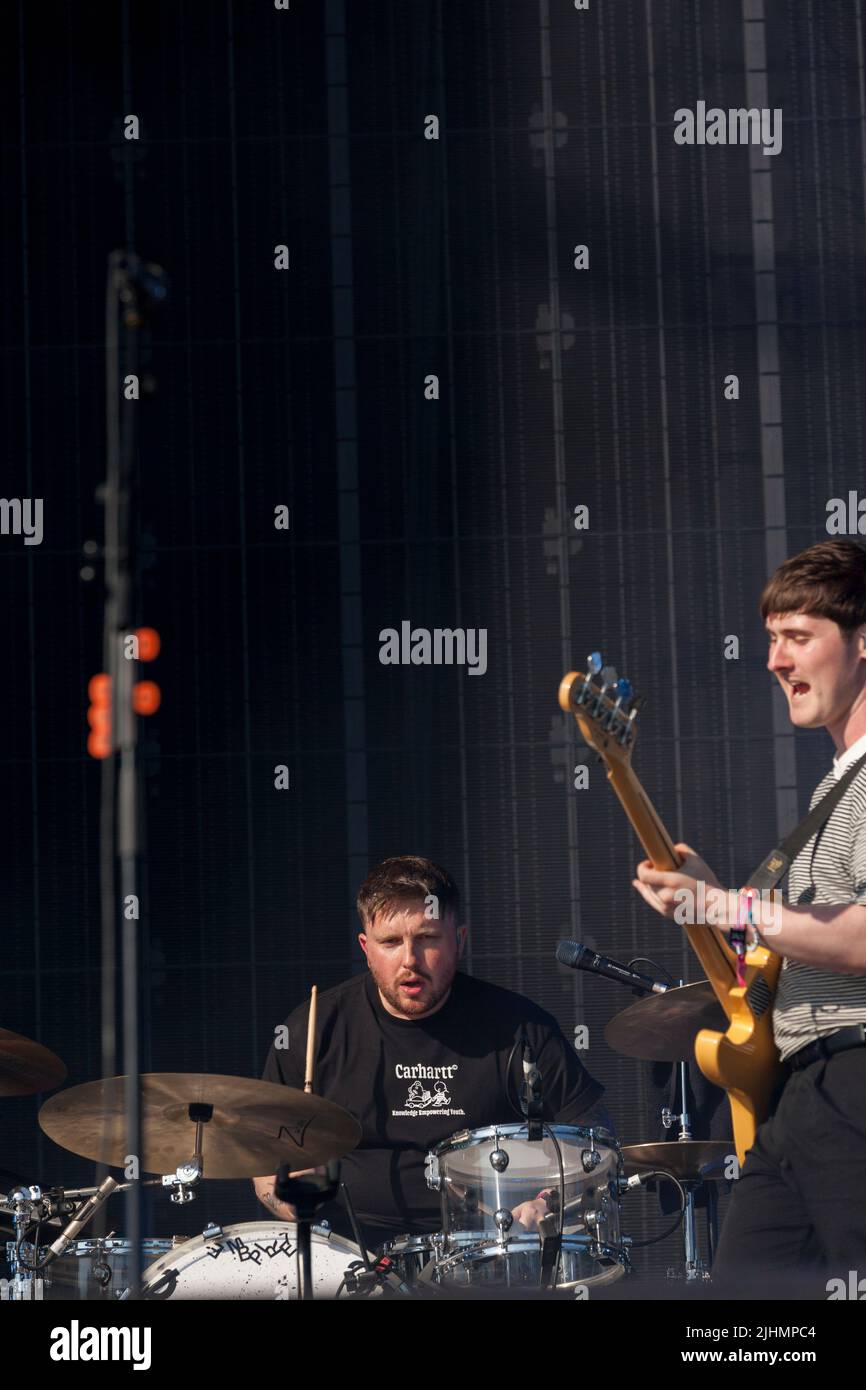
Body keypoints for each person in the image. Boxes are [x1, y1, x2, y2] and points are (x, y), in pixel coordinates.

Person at [632, 539, 866, 1294]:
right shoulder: (835, 788)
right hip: (799, 1101)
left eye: (797, 637)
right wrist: (715, 904)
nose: (774, 660)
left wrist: (727, 905)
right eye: (771, 640)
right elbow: (794, 936)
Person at [253, 855, 611, 1251]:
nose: (409, 960)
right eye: (390, 942)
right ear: (366, 948)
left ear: (458, 939)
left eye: (426, 938)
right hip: (347, 1253)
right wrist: (292, 1199)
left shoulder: (521, 1027)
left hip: (489, 1251)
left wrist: (546, 1203)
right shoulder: (313, 1029)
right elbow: (263, 1162)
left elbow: (595, 1140)